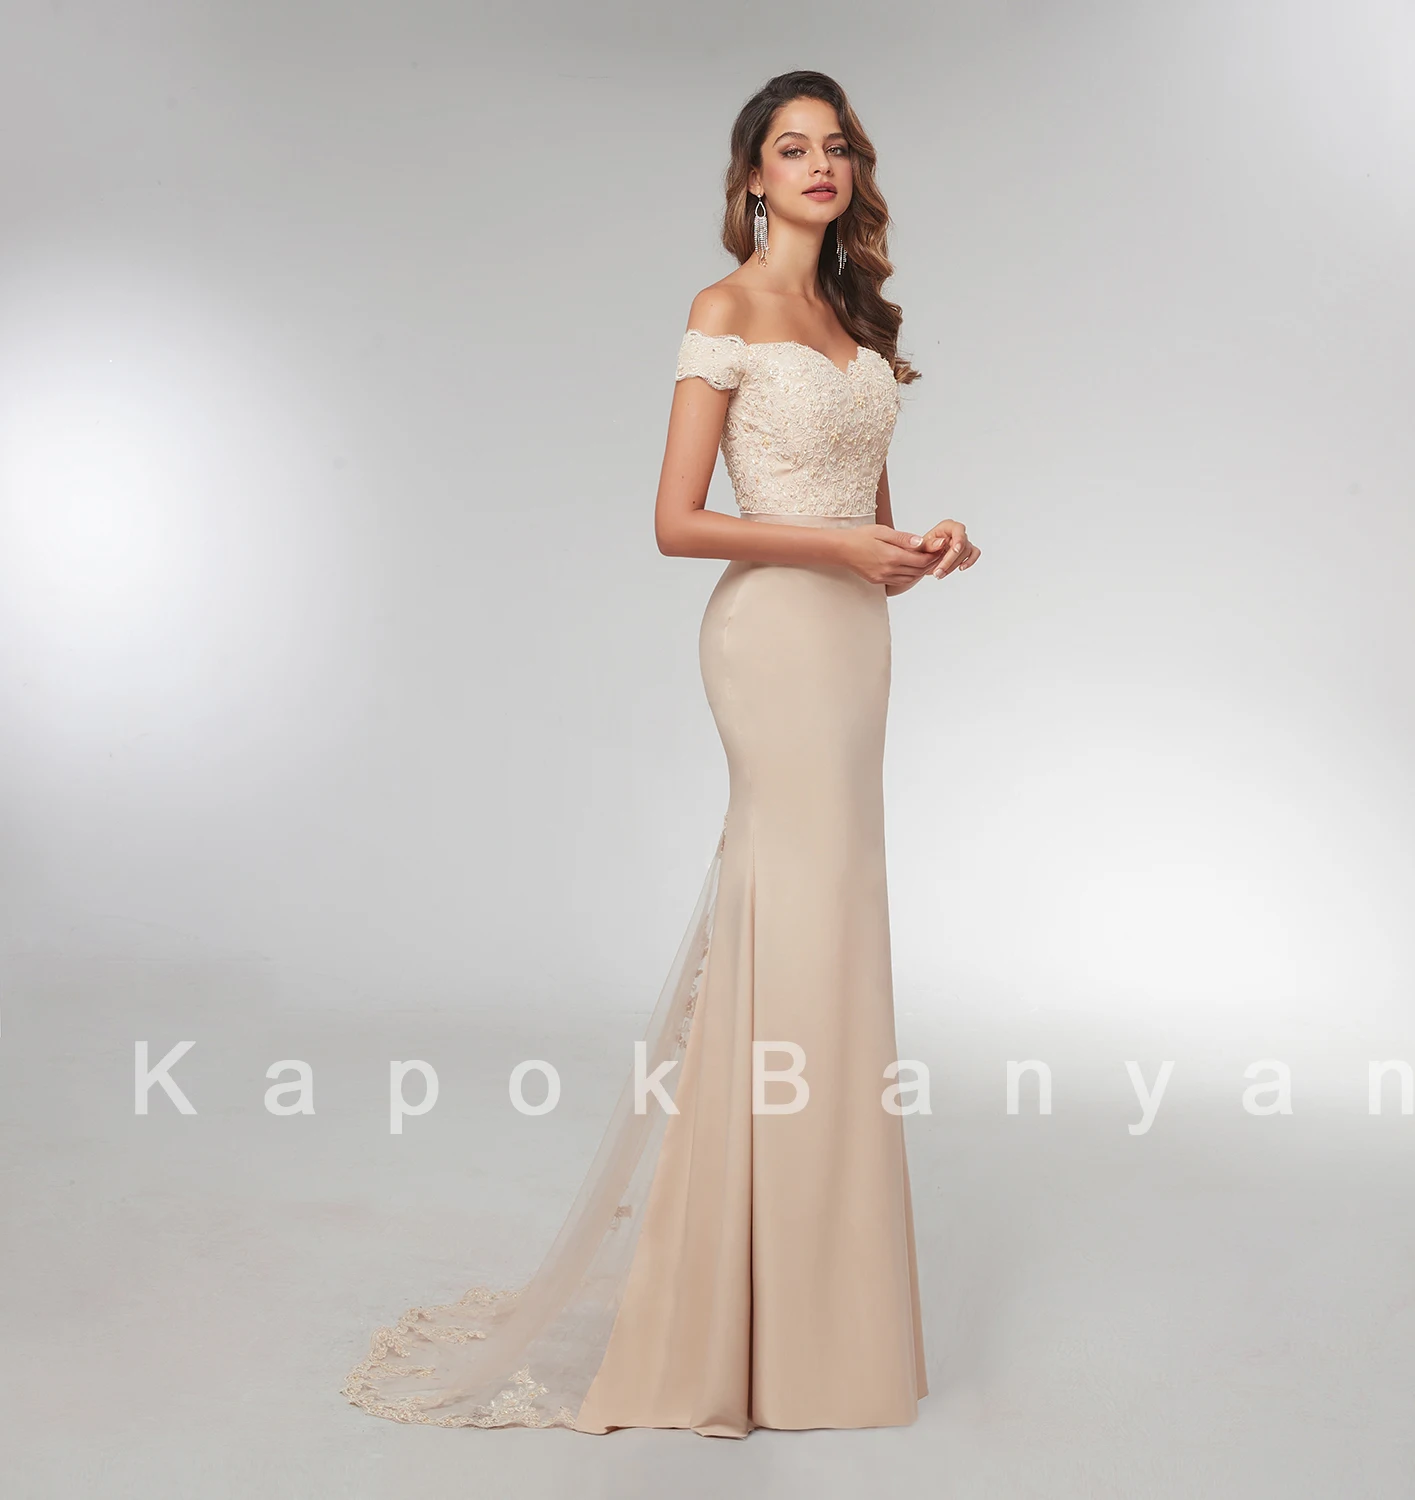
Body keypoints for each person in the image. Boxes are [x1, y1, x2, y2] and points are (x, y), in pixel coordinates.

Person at [342, 68, 979, 1439]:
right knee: (790, 929)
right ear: (751, 177)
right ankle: (743, 1316)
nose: (818, 165)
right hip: (770, 643)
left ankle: (821, 1318)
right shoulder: (726, 309)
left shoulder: (854, 319)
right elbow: (677, 521)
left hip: (854, 645)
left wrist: (921, 545)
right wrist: (839, 550)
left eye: (836, 147)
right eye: (790, 148)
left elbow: (867, 521)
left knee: (837, 937)